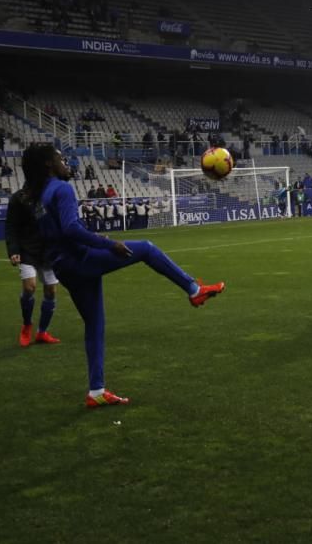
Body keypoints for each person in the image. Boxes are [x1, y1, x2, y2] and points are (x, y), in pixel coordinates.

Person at [22, 143, 225, 408]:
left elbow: (53, 233)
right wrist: (108, 244)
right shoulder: (61, 189)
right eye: (61, 158)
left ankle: (96, 390)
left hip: (63, 267)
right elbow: (71, 229)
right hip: (81, 259)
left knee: (94, 324)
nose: (66, 162)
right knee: (146, 249)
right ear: (49, 164)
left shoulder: (38, 197)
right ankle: (193, 289)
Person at [5, 185, 60, 347]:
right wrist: (13, 250)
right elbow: (10, 226)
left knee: (51, 291)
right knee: (30, 287)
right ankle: (27, 325)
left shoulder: (51, 195)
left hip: (48, 250)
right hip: (26, 249)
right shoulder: (18, 198)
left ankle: (42, 332)